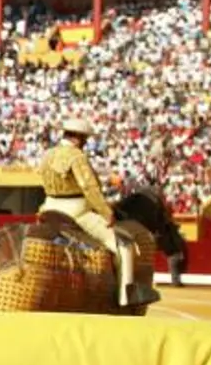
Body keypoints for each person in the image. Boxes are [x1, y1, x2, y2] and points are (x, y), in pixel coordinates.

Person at [39, 117, 159, 307]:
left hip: (49, 207)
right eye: (85, 139)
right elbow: (89, 188)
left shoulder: (47, 155)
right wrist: (106, 212)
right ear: (78, 138)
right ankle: (126, 295)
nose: (86, 143)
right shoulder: (77, 156)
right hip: (77, 211)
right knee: (123, 244)